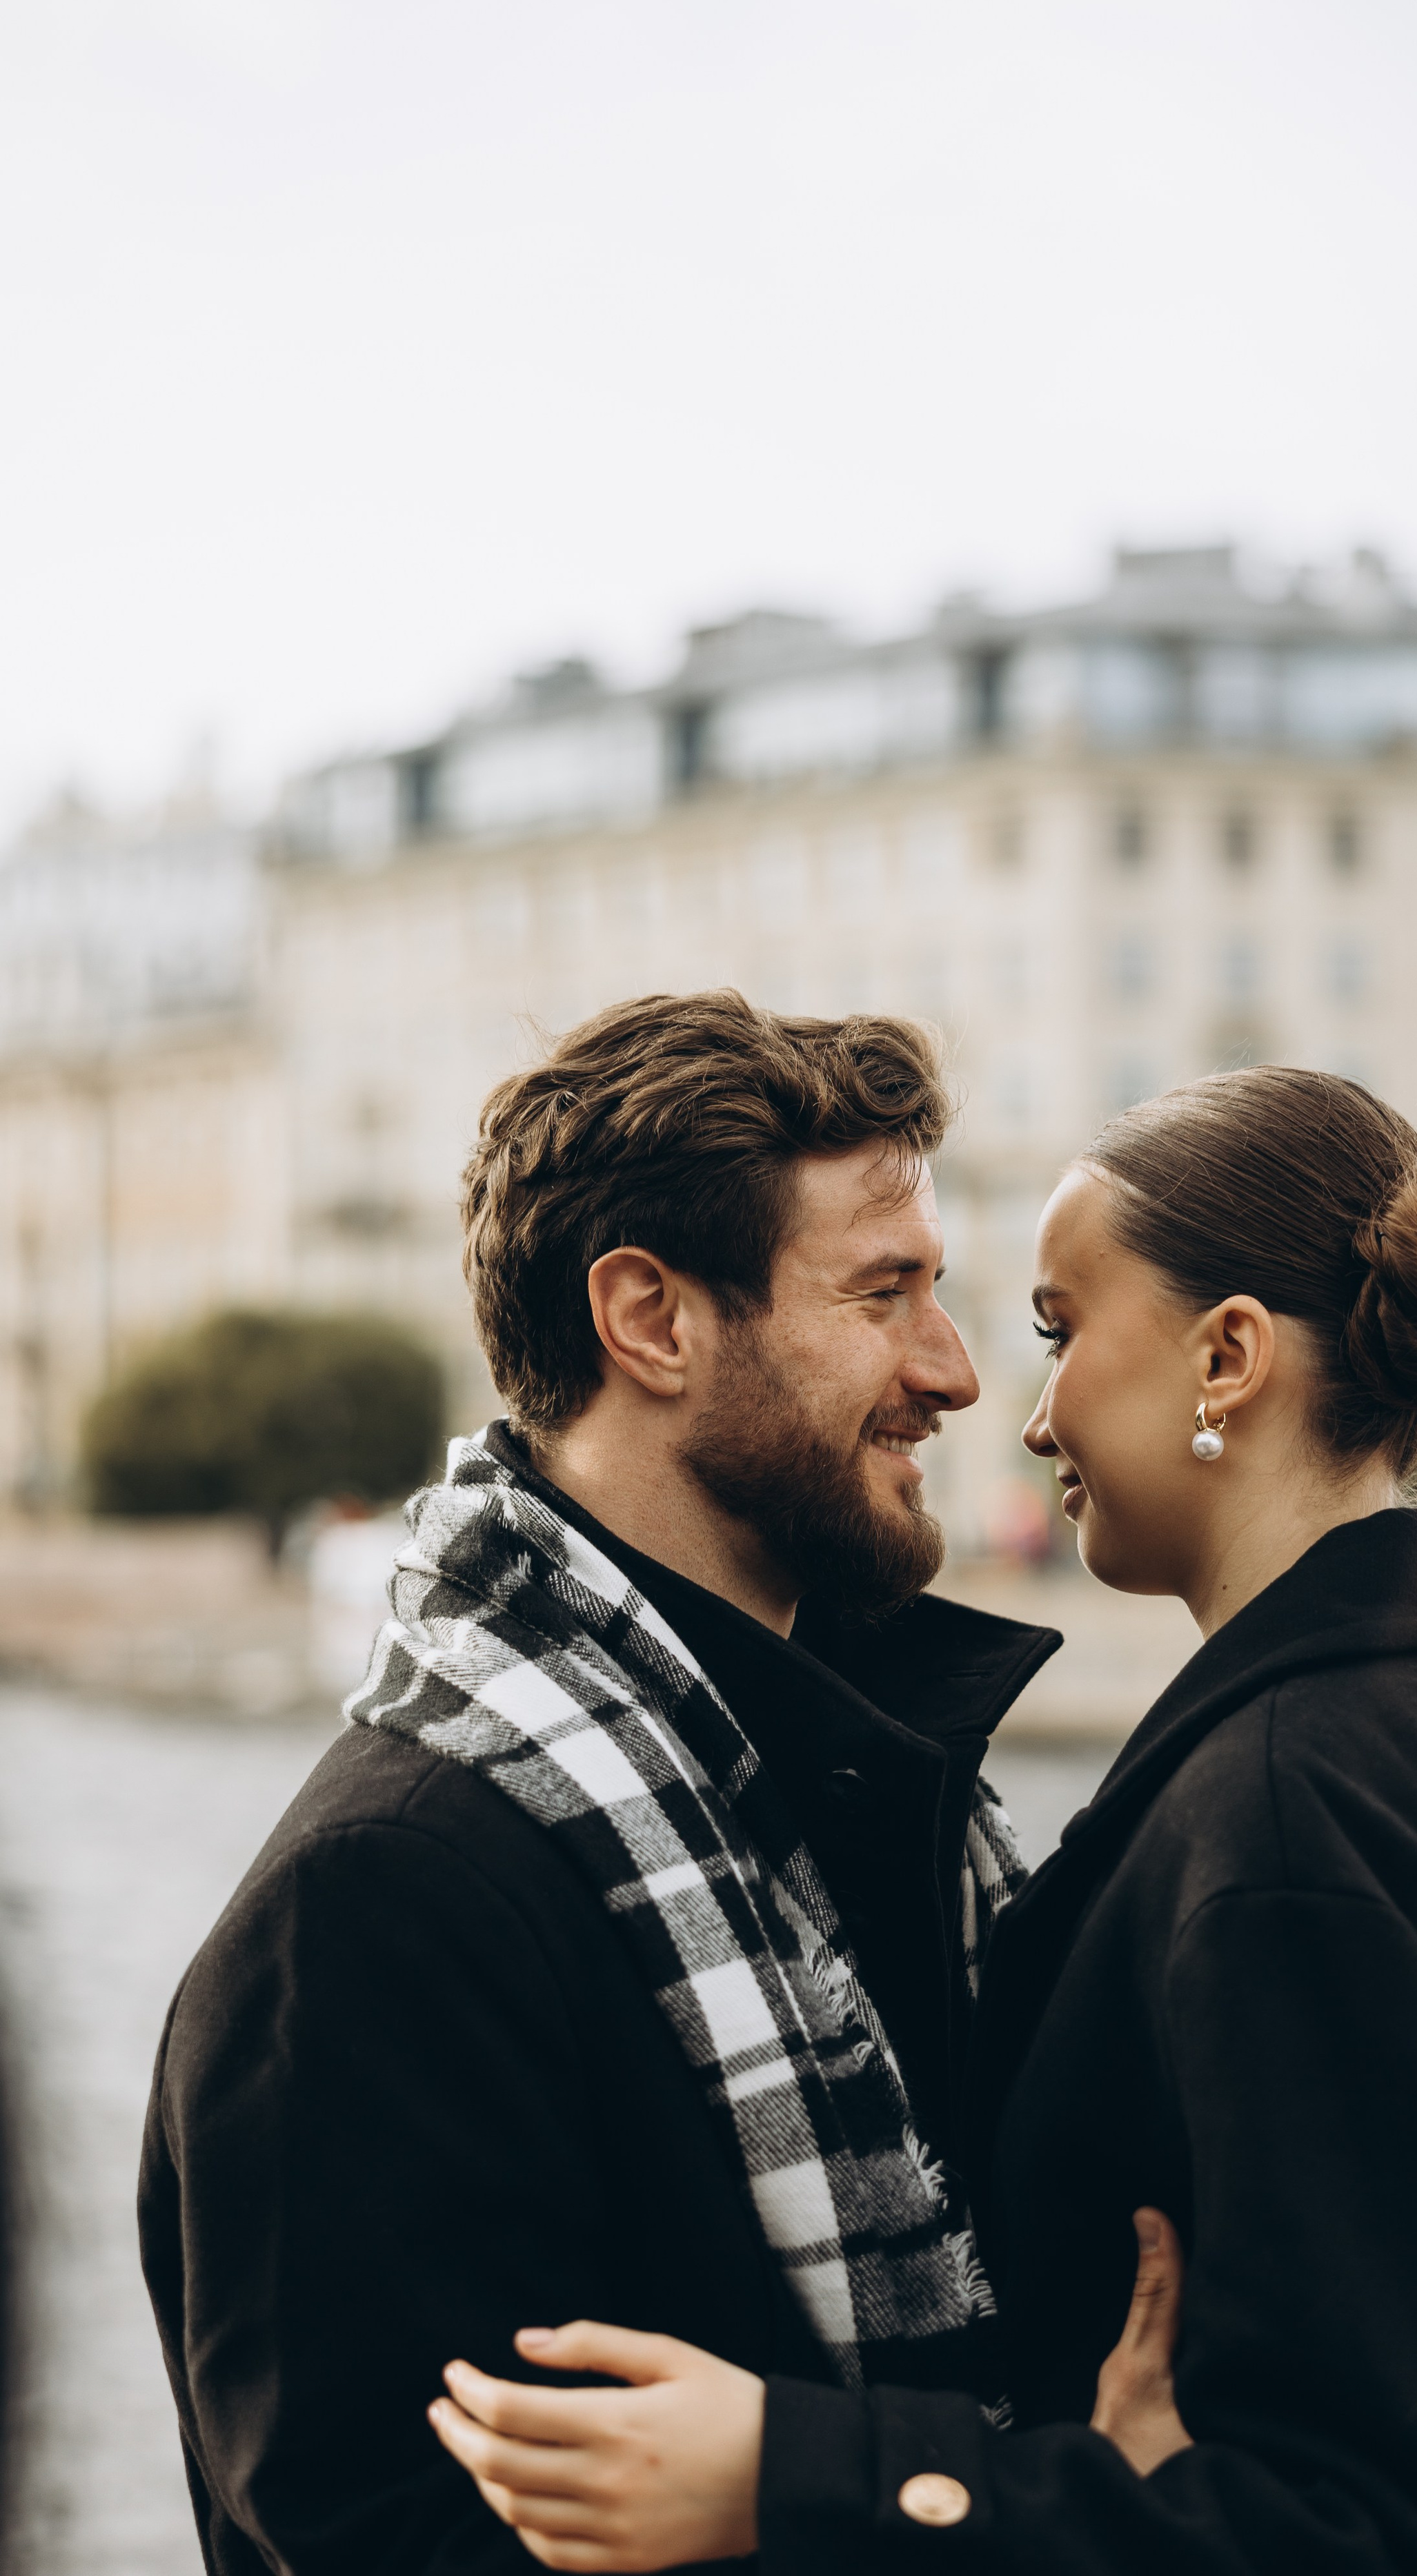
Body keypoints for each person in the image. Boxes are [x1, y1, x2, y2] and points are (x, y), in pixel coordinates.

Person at [431, 1065, 1417, 2576]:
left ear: (1224, 1356)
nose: (1020, 1409)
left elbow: (1390, 2532)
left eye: (1059, 1329)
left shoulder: (1288, 1822)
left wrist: (804, 2477)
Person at [141, 992, 1094, 2576]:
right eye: (885, 1292)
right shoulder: (374, 1911)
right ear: (651, 1320)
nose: (953, 1372)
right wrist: (940, 2489)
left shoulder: (867, 1795)